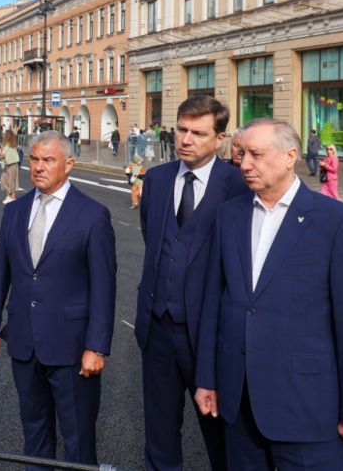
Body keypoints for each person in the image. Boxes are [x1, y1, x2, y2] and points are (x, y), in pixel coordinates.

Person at [194, 118, 343, 470]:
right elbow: (214, 305)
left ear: (290, 157)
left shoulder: (338, 222)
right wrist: (206, 378)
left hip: (310, 411)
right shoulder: (229, 216)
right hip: (239, 406)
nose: (244, 164)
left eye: (256, 154)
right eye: (241, 154)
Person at [0, 130, 116, 470]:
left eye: (48, 160)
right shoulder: (15, 211)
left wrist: (96, 347)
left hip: (73, 349)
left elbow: (104, 288)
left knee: (78, 441)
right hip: (24, 343)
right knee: (35, 436)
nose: (38, 167)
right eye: (34, 159)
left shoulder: (92, 215)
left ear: (69, 164)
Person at [135, 95, 250, 471]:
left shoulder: (238, 186)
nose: (185, 139)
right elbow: (153, 236)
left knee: (222, 438)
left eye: (198, 133)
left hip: (211, 336)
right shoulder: (156, 179)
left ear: (220, 139)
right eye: (181, 130)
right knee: (159, 437)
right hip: (158, 329)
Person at [0, 130, 20, 204]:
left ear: (7, 136)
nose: (3, 135)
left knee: (11, 182)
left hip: (12, 166)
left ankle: (12, 198)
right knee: (4, 180)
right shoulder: (10, 145)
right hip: (9, 166)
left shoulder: (9, 145)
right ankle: (10, 197)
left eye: (4, 134)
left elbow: (3, 156)